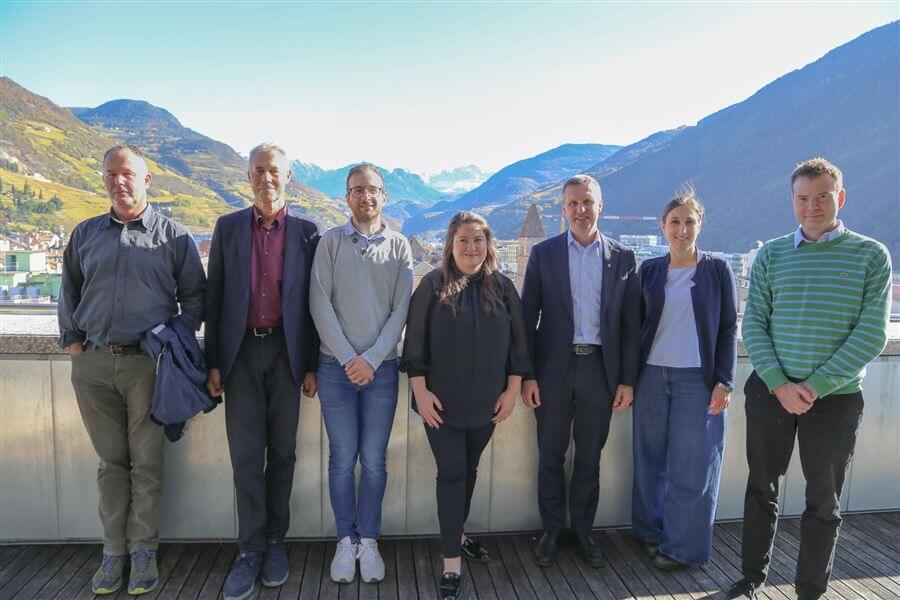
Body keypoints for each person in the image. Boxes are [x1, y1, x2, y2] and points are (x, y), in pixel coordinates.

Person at [728, 158, 892, 600]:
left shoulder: (871, 255)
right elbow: (754, 325)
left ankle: (809, 592)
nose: (812, 206)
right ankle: (750, 580)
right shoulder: (772, 254)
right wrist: (781, 384)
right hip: (770, 392)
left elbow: (871, 334)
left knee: (824, 500)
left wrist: (814, 385)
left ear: (840, 198)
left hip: (835, 399)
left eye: (822, 196)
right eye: (803, 198)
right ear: (792, 201)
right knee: (761, 486)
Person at [58, 143, 205, 595]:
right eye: (110, 174)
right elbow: (69, 292)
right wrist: (77, 348)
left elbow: (196, 300)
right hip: (94, 366)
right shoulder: (85, 234)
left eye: (127, 174)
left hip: (147, 367)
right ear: (104, 179)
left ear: (147, 180)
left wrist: (168, 339)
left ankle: (143, 553)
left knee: (147, 465)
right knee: (110, 465)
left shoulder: (174, 236)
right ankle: (112, 554)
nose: (119, 181)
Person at [205, 143, 320, 600]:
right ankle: (249, 550)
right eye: (258, 171)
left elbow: (314, 306)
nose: (266, 179)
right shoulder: (228, 227)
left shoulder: (309, 233)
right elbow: (214, 301)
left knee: (285, 453)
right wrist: (213, 361)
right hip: (240, 357)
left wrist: (310, 364)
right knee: (246, 457)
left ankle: (276, 543)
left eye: (274, 171)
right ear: (248, 177)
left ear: (288, 177)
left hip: (287, 356)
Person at [401, 211, 531, 600]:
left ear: (488, 245)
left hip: (488, 404)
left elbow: (519, 346)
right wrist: (420, 393)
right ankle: (451, 562)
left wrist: (511, 392)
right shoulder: (431, 285)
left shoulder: (504, 287)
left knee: (469, 470)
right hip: (440, 404)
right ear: (450, 246)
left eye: (478, 240)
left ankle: (457, 533)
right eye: (463, 240)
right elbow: (415, 345)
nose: (471, 247)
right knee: (453, 473)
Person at [521, 174, 641, 567]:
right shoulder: (544, 254)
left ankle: (585, 532)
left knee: (590, 456)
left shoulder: (623, 257)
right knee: (550, 455)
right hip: (553, 371)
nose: (580, 210)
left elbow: (629, 324)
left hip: (599, 371)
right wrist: (528, 375)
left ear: (600, 206)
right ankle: (552, 531)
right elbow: (527, 319)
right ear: (563, 209)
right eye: (572, 203)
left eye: (587, 202)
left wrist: (626, 379)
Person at [310, 164, 413, 584]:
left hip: (382, 371)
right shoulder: (330, 243)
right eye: (357, 190)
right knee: (341, 459)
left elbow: (400, 311)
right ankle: (344, 540)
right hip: (335, 369)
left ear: (384, 195)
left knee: (373, 460)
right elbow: (320, 303)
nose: (365, 197)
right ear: (346, 197)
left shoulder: (400, 246)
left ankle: (368, 540)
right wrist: (349, 357)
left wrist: (370, 359)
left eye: (372, 190)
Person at [632, 189, 737, 571]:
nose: (681, 229)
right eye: (674, 222)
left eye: (689, 221)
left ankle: (683, 549)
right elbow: (634, 327)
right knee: (649, 461)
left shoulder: (717, 270)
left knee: (694, 466)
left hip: (699, 380)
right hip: (651, 377)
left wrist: (725, 380)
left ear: (699, 225)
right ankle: (650, 533)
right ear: (663, 228)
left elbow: (727, 329)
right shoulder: (650, 270)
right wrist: (629, 379)